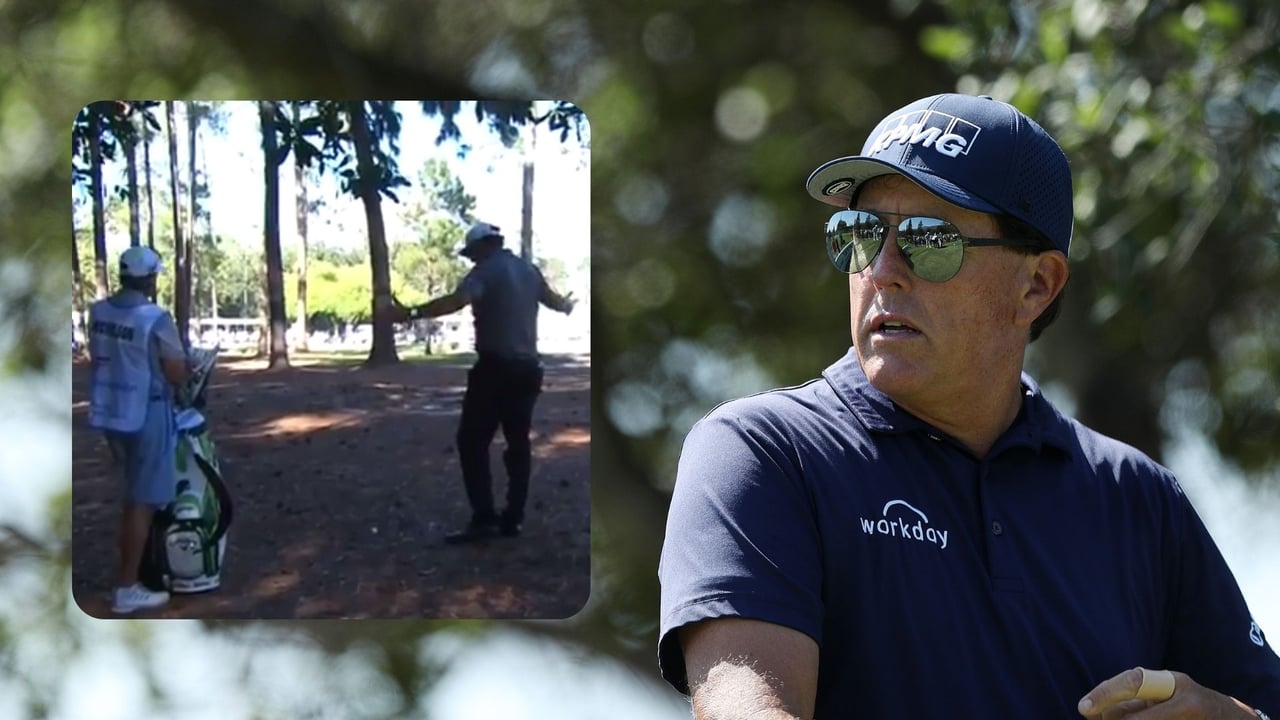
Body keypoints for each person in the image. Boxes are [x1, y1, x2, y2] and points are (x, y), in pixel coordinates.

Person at [657, 93, 1280, 719]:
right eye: (861, 233)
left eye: (929, 240)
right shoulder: (762, 454)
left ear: (1037, 284)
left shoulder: (1139, 499)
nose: (882, 271)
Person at [391, 221, 576, 544]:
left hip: (495, 370)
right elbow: (554, 301)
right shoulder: (528, 270)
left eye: (472, 253)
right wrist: (566, 305)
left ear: (483, 246)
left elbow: (457, 300)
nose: (471, 260)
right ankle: (513, 518)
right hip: (528, 369)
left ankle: (484, 517)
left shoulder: (486, 271)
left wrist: (412, 312)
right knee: (518, 443)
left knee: (472, 441)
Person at [86, 245, 189, 614]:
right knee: (141, 501)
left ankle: (141, 569)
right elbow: (176, 372)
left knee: (134, 492)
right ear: (150, 278)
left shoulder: (97, 311)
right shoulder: (155, 318)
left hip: (111, 412)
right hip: (148, 412)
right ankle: (127, 586)